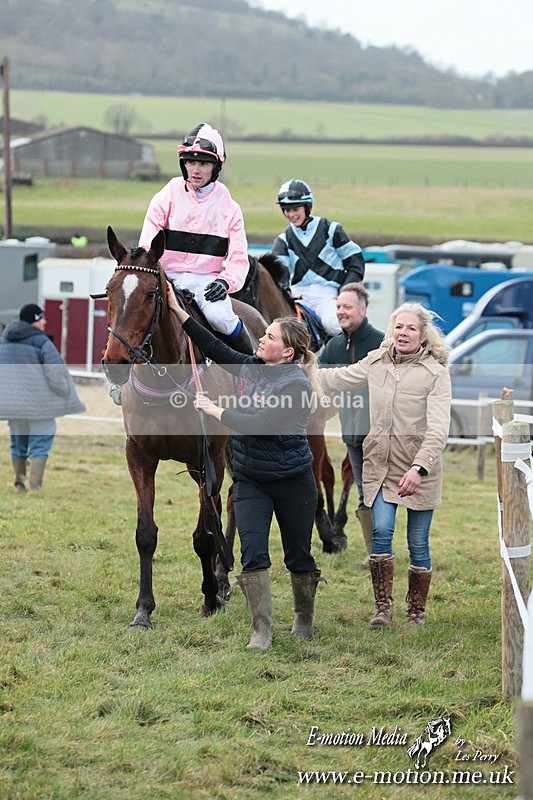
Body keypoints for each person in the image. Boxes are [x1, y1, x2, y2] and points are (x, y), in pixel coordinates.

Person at [166, 285, 324, 651]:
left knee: (297, 555)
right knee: (253, 554)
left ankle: (303, 617)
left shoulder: (296, 385)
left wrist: (214, 410)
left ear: (287, 351)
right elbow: (217, 349)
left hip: (293, 482)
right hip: (252, 479)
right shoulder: (254, 367)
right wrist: (178, 311)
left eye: (269, 336)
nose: (261, 338)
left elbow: (262, 423)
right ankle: (262, 630)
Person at [318, 302, 451, 627]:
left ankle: (416, 612)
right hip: (380, 464)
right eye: (399, 327)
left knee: (417, 541)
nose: (403, 333)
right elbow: (339, 377)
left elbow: (438, 431)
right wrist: (298, 367)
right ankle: (383, 609)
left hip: (419, 469)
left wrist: (419, 469)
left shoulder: (436, 374)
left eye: (410, 328)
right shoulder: (376, 361)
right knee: (380, 530)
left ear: (423, 336)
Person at [139, 122, 252, 355]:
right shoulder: (167, 195)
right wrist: (157, 275)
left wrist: (224, 282)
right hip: (165, 278)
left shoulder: (230, 208)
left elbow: (239, 260)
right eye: (191, 162)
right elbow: (148, 245)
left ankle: (250, 370)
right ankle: (118, 380)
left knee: (221, 318)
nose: (196, 170)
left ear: (216, 166)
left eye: (203, 163)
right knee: (130, 309)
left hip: (207, 283)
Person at [318, 283, 384, 566]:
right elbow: (314, 376)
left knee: (379, 493)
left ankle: (381, 551)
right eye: (338, 308)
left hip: (381, 435)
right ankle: (375, 553)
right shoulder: (333, 347)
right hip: (352, 436)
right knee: (365, 493)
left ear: (363, 309)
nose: (341, 312)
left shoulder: (383, 344)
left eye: (346, 307)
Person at [0, 303, 85, 493]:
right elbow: (55, 376)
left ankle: (19, 485)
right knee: (40, 444)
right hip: (40, 406)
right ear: (33, 321)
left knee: (18, 445)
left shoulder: (4, 341)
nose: (45, 321)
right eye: (41, 318)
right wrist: (64, 391)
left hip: (14, 407)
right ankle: (35, 488)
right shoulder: (42, 342)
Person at [271, 179, 365, 336]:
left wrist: (345, 292)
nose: (291, 214)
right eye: (286, 210)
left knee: (333, 324)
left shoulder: (331, 230)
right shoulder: (283, 240)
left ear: (307, 206)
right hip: (298, 296)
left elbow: (355, 263)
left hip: (328, 295)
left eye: (295, 209)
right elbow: (279, 273)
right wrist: (284, 288)